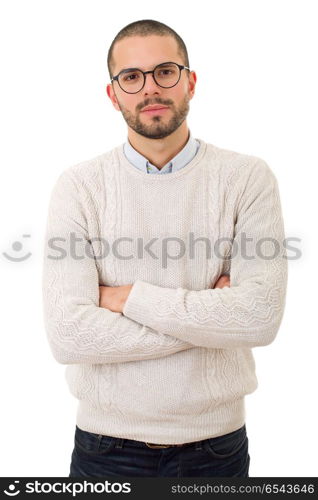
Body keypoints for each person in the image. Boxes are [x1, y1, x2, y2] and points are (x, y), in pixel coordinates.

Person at [42, 19, 288, 478]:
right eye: (131, 77)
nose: (150, 88)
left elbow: (260, 317)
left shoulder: (247, 179)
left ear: (190, 82)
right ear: (114, 95)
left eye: (165, 72)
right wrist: (214, 317)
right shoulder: (79, 187)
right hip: (105, 449)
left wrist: (127, 298)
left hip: (216, 449)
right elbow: (68, 334)